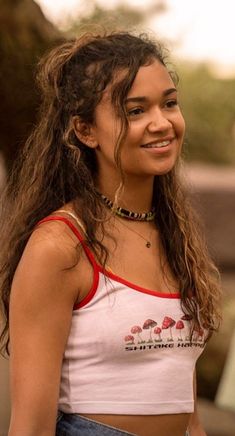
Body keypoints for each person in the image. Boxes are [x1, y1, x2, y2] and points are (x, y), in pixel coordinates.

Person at [0, 31, 221, 436]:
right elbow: (31, 425)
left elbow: (185, 407)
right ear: (86, 131)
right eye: (135, 111)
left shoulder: (176, 235)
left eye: (169, 103)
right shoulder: (60, 246)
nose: (162, 123)